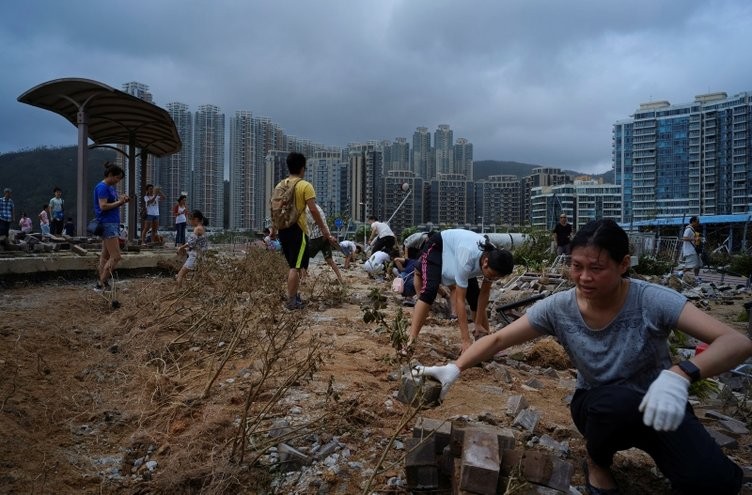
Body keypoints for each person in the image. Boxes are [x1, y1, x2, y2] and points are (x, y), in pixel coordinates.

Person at [417, 219, 752, 495]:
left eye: (597, 268)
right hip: (599, 407)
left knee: (716, 482)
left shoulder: (652, 300)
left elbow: (735, 341)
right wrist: (455, 366)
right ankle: (596, 461)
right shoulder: (560, 308)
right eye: (577, 266)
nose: (584, 277)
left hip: (661, 403)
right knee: (618, 402)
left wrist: (680, 375)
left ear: (623, 264)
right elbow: (498, 339)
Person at [405, 229, 514, 355]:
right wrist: (465, 340)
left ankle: (486, 341)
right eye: (493, 276)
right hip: (439, 245)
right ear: (485, 263)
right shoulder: (467, 257)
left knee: (474, 296)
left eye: (497, 278)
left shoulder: (495, 258)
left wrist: (478, 324)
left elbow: (483, 294)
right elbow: (459, 300)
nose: (493, 279)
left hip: (463, 254)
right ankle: (410, 341)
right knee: (430, 291)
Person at [273, 152, 337, 310]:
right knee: (295, 266)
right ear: (303, 168)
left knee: (293, 265)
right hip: (298, 230)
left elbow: (276, 210)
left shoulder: (280, 185)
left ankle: (293, 296)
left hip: (283, 229)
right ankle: (291, 301)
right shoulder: (305, 185)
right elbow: (314, 210)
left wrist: (274, 229)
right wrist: (325, 231)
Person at [94, 163, 130, 291]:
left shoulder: (110, 187)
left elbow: (113, 202)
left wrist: (121, 199)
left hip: (112, 223)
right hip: (107, 223)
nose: (118, 181)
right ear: (110, 175)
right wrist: (120, 202)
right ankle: (100, 284)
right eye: (117, 178)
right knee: (116, 257)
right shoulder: (103, 187)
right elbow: (103, 206)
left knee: (105, 256)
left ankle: (103, 282)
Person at [305, 204, 344, 284]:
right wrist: (329, 236)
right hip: (325, 235)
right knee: (329, 260)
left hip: (317, 236)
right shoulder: (317, 206)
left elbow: (311, 223)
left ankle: (304, 279)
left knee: (303, 257)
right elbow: (323, 222)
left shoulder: (307, 208)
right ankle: (340, 279)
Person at [176, 210, 208, 287]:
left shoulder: (197, 229)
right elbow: (196, 244)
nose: (189, 221)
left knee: (180, 275)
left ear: (196, 219)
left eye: (190, 219)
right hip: (199, 255)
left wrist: (181, 248)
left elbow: (191, 243)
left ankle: (178, 293)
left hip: (195, 256)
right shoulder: (201, 228)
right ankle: (217, 289)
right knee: (205, 275)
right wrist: (185, 249)